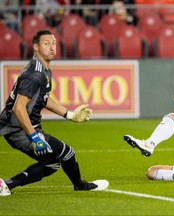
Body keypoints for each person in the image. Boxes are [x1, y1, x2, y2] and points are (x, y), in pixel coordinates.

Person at [0, 30, 109, 196]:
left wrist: (70, 115)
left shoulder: (41, 68)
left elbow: (42, 98)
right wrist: (34, 137)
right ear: (35, 47)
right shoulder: (35, 74)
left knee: (51, 164)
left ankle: (6, 185)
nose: (52, 47)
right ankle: (80, 185)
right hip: (19, 129)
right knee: (67, 153)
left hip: (21, 127)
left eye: (54, 43)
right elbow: (19, 107)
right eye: (46, 44)